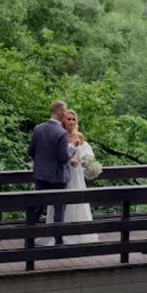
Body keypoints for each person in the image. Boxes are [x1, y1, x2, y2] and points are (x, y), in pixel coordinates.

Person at [37, 110, 99, 246]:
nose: (71, 122)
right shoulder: (61, 136)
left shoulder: (79, 137)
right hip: (62, 173)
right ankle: (58, 235)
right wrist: (69, 160)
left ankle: (79, 232)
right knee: (59, 203)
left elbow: (86, 155)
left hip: (76, 174)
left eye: (73, 119)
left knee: (77, 201)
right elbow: (59, 155)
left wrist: (83, 162)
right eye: (69, 119)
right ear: (64, 121)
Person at [28, 100, 75, 245]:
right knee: (58, 210)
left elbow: (31, 152)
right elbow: (63, 158)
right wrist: (72, 149)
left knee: (37, 208)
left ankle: (28, 239)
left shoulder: (38, 129)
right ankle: (58, 241)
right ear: (61, 113)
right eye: (66, 111)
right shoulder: (61, 133)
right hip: (58, 177)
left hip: (41, 176)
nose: (66, 113)